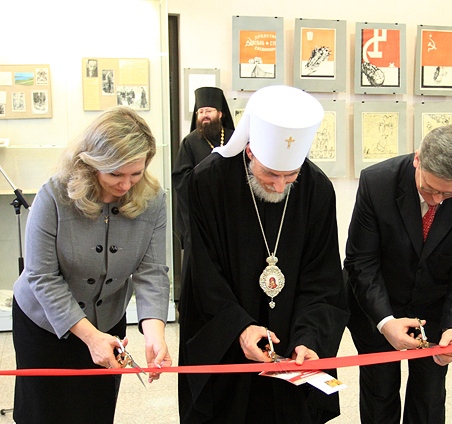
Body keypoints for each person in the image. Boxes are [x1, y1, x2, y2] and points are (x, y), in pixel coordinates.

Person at [178, 85, 349, 423]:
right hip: (228, 334)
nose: (280, 186)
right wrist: (240, 327)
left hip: (291, 334)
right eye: (271, 173)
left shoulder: (317, 189)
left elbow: (323, 278)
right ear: (250, 152)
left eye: (291, 175)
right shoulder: (208, 182)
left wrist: (309, 338)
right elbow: (204, 272)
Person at [12, 106, 172, 424]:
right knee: (44, 413)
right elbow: (41, 276)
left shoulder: (154, 200)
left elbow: (152, 271)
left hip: (108, 321)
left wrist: (155, 334)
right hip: (43, 324)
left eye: (136, 174)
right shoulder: (54, 196)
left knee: (95, 410)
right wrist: (90, 337)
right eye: (115, 174)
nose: (126, 185)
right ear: (92, 162)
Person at [344, 124, 452, 424]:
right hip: (377, 305)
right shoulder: (377, 182)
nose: (436, 200)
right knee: (379, 392)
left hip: (435, 307)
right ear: (418, 159)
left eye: (449, 193)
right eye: (428, 189)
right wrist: (385, 322)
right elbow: (361, 262)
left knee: (429, 396)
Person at [172, 86, 234, 299]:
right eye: (200, 112)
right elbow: (181, 178)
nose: (204, 115)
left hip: (231, 218)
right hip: (200, 218)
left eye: (209, 111)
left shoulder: (235, 139)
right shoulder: (190, 142)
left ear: (220, 113)